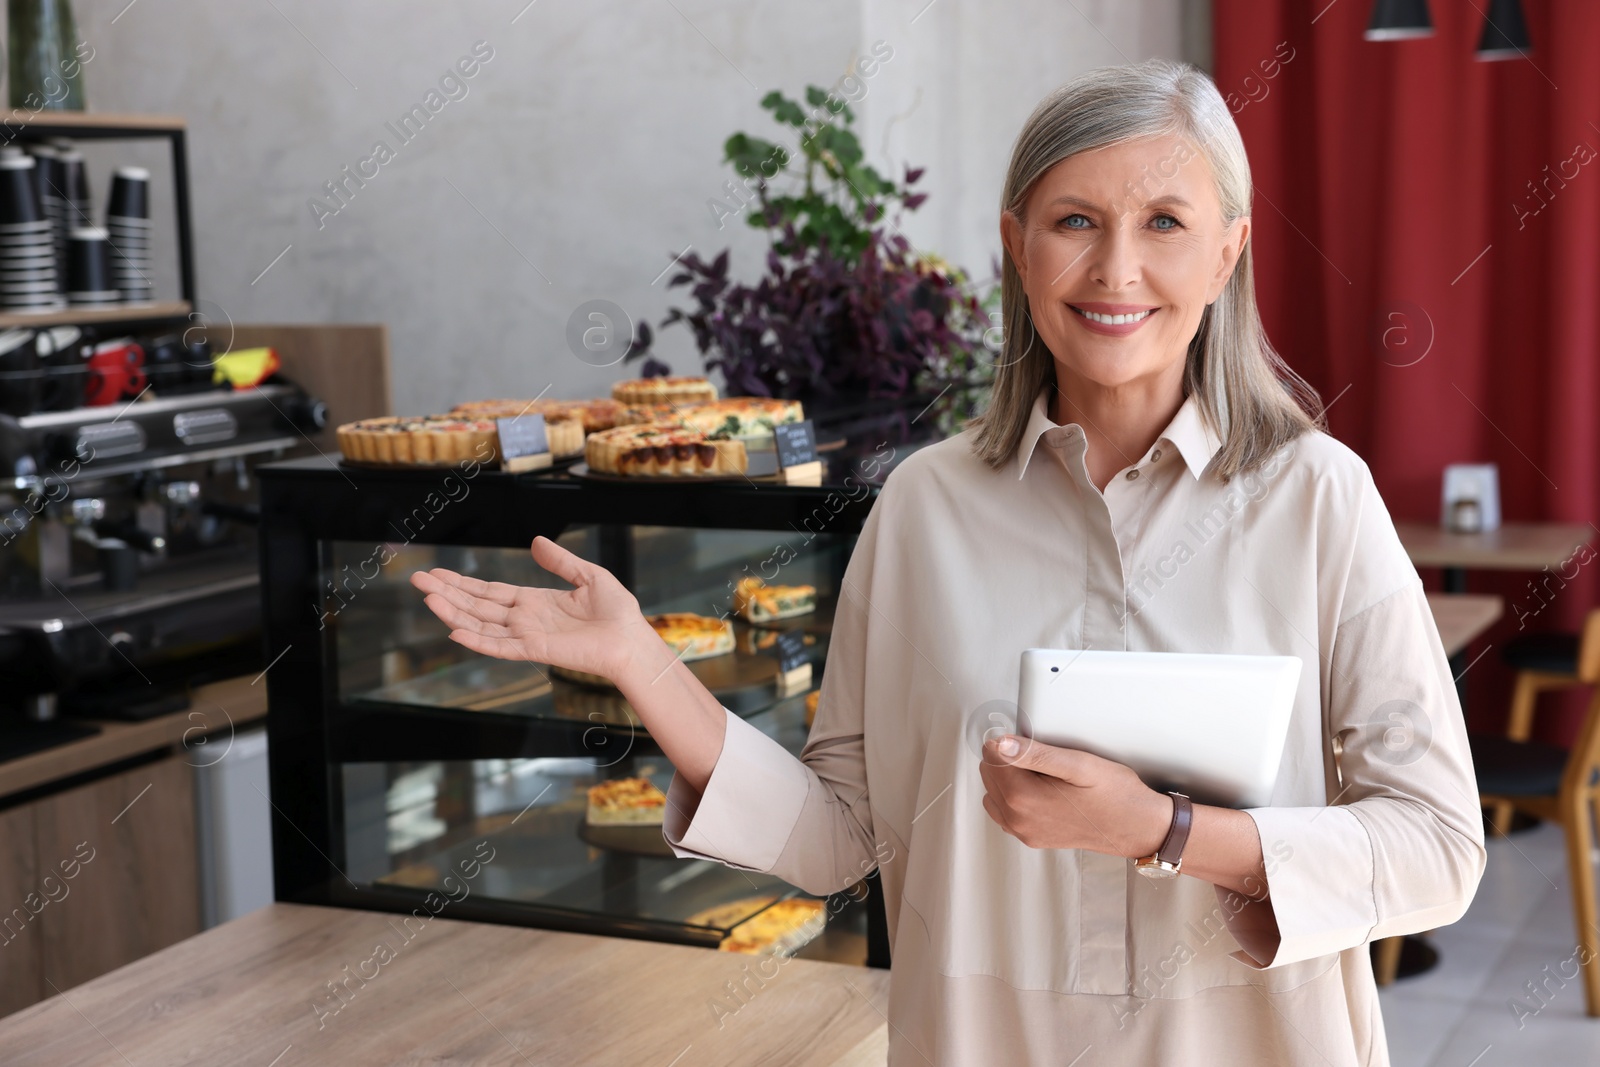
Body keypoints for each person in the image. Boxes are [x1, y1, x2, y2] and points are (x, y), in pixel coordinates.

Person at [410, 59, 1485, 1067]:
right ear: (1018, 246)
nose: (1116, 267)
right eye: (1075, 221)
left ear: (1226, 252)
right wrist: (643, 661)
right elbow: (840, 834)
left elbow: (1438, 846)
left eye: (1163, 221)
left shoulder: (1317, 498)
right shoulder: (924, 505)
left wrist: (1164, 832)